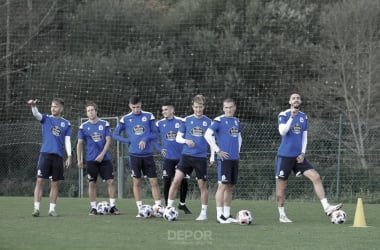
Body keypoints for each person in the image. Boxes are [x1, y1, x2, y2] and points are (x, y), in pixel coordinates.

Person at [276, 93, 343, 223]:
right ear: (290, 101)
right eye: (293, 98)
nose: (296, 100)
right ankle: (282, 215)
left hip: (298, 157)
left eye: (298, 98)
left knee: (316, 177)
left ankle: (327, 207)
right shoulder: (283, 115)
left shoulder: (303, 117)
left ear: (300, 101)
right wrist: (291, 116)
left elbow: (304, 137)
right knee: (282, 188)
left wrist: (302, 153)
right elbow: (282, 131)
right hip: (284, 157)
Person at [166, 94, 213, 221]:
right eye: (196, 107)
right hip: (186, 156)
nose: (198, 109)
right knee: (176, 181)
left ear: (204, 107)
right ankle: (169, 208)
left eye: (200, 107)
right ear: (193, 107)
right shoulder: (186, 120)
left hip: (200, 158)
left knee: (202, 185)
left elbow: (212, 141)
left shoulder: (209, 122)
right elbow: (178, 138)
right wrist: (186, 141)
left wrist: (212, 157)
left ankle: (203, 213)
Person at [113, 96, 161, 216]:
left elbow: (155, 134)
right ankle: (140, 209)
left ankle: (158, 208)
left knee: (154, 182)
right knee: (137, 182)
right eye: (133, 107)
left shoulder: (149, 116)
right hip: (134, 155)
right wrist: (127, 141)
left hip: (148, 155)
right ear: (130, 106)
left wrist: (145, 138)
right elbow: (115, 134)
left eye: (138, 107)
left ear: (141, 105)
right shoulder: (125, 119)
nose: (136, 110)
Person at [27, 98, 72, 217]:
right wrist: (33, 106)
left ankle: (52, 210)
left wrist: (69, 155)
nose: (53, 108)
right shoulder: (46, 119)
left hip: (57, 157)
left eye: (56, 106)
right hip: (45, 155)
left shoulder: (66, 123)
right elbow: (36, 114)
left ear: (61, 109)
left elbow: (67, 141)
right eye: (52, 106)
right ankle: (36, 208)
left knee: (55, 183)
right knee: (40, 180)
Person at [77, 101, 120, 215]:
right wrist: (79, 159)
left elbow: (108, 140)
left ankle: (113, 206)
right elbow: (79, 144)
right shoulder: (83, 127)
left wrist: (102, 154)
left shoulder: (104, 124)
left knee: (110, 181)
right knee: (92, 183)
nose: (90, 112)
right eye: (88, 111)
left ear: (96, 111)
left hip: (105, 159)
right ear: (86, 113)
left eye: (92, 110)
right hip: (91, 160)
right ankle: (93, 208)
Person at [204, 98, 242, 224]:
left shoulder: (236, 121)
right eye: (226, 107)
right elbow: (207, 135)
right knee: (222, 186)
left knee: (230, 187)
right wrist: (218, 150)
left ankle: (226, 215)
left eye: (231, 107)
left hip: (234, 159)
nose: (229, 109)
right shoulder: (219, 120)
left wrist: (238, 151)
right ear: (223, 108)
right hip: (224, 159)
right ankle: (219, 216)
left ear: (234, 107)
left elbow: (239, 137)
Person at [155, 103, 191, 214]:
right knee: (167, 181)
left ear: (172, 110)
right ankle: (167, 206)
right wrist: (160, 148)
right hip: (168, 158)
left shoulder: (182, 121)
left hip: (182, 157)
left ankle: (182, 204)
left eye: (166, 109)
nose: (164, 112)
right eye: (162, 110)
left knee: (184, 181)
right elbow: (152, 138)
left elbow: (190, 134)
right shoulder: (159, 123)